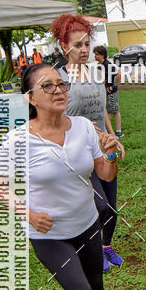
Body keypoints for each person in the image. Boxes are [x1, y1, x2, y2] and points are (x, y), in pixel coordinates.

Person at [0, 64, 120, 290]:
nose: (59, 90)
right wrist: (28, 213)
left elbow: (104, 173)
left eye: (61, 84)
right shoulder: (18, 140)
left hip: (87, 223)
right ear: (31, 98)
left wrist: (111, 155)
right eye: (47, 86)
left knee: (96, 284)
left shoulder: (83, 127)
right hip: (49, 234)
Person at [51, 15, 124, 273]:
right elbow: (57, 117)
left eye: (86, 44)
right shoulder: (58, 79)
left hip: (104, 147)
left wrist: (113, 137)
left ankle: (106, 246)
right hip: (79, 151)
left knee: (112, 208)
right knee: (99, 205)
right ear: (63, 46)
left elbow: (103, 109)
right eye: (77, 45)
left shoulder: (96, 72)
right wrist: (87, 130)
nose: (83, 50)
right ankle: (92, 251)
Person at [95, 45, 123, 138]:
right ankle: (109, 130)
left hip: (111, 92)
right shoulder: (99, 65)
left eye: (97, 54)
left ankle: (119, 132)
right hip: (104, 92)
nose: (95, 56)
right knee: (106, 111)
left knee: (114, 110)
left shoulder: (107, 64)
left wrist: (115, 85)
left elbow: (118, 74)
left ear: (103, 55)